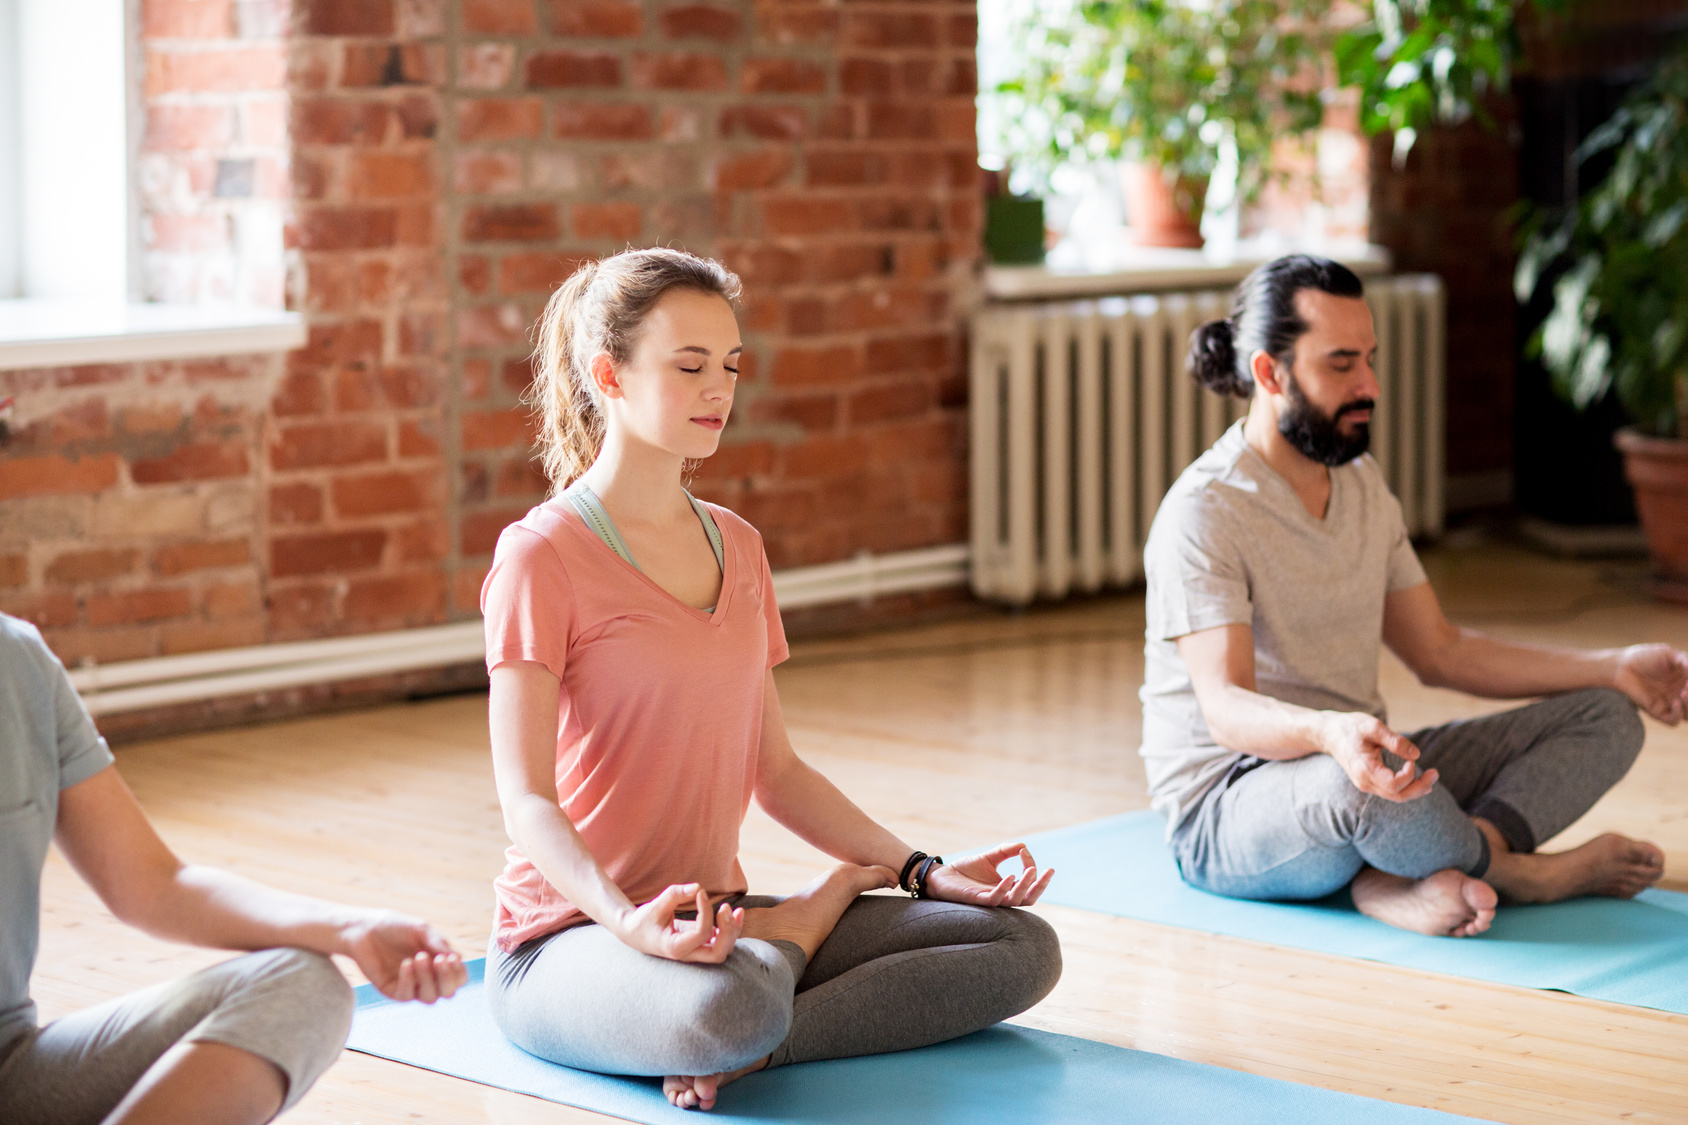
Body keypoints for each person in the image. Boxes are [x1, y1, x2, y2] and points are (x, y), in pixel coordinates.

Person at [481, 247, 1063, 1112]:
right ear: (609, 373)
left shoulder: (739, 546)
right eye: (689, 366)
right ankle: (800, 930)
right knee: (728, 1006)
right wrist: (624, 918)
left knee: (1019, 945)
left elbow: (776, 769)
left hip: (719, 921)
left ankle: (769, 1026)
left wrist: (916, 869)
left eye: (730, 365)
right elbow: (527, 799)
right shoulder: (542, 554)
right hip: (568, 939)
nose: (719, 388)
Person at [1142, 253, 1688, 939]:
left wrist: (1611, 666)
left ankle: (1407, 874)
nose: (1369, 384)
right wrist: (1328, 732)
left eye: (1369, 357)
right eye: (1341, 364)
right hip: (1229, 806)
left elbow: (1440, 650)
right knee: (1361, 786)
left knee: (1609, 717)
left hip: (1364, 764)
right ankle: (1519, 874)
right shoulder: (1206, 509)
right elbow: (1225, 709)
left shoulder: (1362, 483)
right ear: (1269, 372)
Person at [0, 612, 467, 1125]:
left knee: (305, 987)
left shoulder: (20, 660)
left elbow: (156, 884)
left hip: (11, 1066)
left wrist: (353, 930)